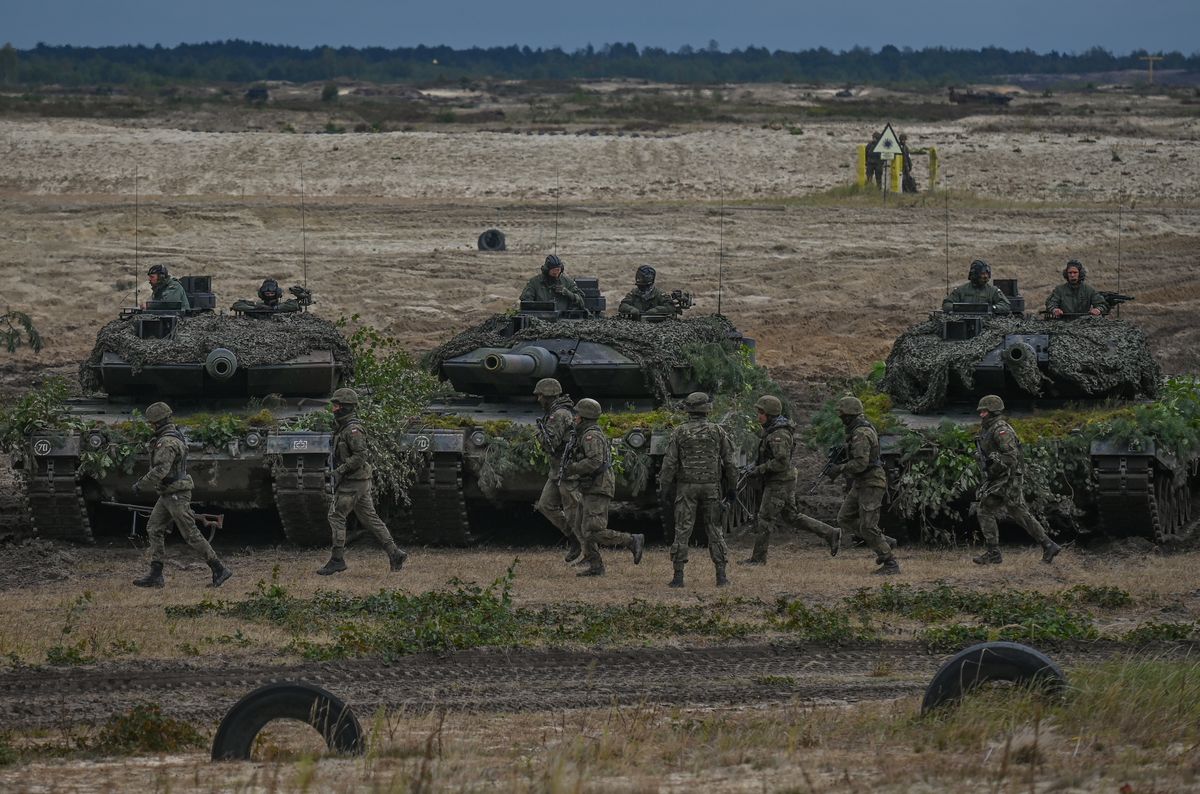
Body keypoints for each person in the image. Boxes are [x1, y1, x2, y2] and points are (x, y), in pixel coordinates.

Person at [132, 401, 232, 588]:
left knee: (191, 534)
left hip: (176, 493)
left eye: (152, 423)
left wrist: (141, 484)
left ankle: (219, 568)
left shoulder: (167, 442)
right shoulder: (172, 436)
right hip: (168, 493)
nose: (151, 426)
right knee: (154, 527)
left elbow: (161, 470)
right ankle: (156, 574)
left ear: (157, 422)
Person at [317, 387, 409, 576]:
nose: (334, 409)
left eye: (337, 406)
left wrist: (339, 471)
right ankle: (395, 553)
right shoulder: (343, 428)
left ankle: (337, 560)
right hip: (356, 480)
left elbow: (360, 456)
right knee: (370, 518)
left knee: (336, 516)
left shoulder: (353, 430)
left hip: (353, 480)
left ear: (346, 407)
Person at [742, 395, 841, 564]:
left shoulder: (778, 434)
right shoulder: (774, 430)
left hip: (779, 481)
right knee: (792, 517)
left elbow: (781, 462)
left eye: (761, 413)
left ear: (770, 414)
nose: (758, 416)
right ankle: (830, 533)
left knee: (765, 518)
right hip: (782, 479)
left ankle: (758, 559)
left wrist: (758, 470)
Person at [658, 392, 738, 588]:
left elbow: (669, 464)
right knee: (714, 529)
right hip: (712, 487)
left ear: (688, 410)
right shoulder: (717, 431)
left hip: (686, 488)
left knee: (682, 529)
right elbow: (730, 463)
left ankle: (678, 576)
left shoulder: (679, 432)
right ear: (706, 410)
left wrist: (665, 488)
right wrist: (732, 488)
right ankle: (721, 576)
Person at [972, 394, 1062, 566]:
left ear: (993, 411)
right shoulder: (987, 429)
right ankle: (1048, 545)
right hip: (1004, 477)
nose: (981, 414)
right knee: (1018, 512)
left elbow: (1011, 457)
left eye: (984, 411)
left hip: (1007, 477)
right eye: (981, 411)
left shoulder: (1000, 430)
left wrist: (993, 468)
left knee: (985, 507)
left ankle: (994, 553)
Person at [561, 398, 644, 577]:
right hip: (591, 485)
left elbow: (594, 461)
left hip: (598, 486)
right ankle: (596, 565)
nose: (574, 418)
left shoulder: (591, 436)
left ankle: (631, 540)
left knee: (593, 530)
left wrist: (573, 468)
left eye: (577, 415)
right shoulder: (584, 434)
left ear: (583, 418)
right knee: (581, 527)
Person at [827, 396, 899, 575]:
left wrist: (839, 468)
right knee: (844, 518)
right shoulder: (855, 431)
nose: (840, 418)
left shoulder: (861, 433)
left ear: (849, 415)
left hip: (872, 482)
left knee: (867, 525)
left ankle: (890, 562)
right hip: (862, 482)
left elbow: (861, 463)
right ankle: (882, 540)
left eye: (842, 414)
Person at [532, 377, 584, 562]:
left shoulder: (559, 414)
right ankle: (574, 539)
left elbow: (550, 444)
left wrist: (538, 433)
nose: (538, 399)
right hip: (557, 470)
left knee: (573, 511)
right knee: (546, 505)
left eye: (540, 395)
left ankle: (590, 553)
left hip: (567, 471)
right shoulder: (555, 412)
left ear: (548, 395)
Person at [942, 259, 1011, 314]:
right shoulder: (961, 290)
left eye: (987, 274)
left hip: (987, 324)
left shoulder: (993, 290)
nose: (985, 276)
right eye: (982, 273)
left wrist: (992, 308)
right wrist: (960, 308)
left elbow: (1006, 305)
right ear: (974, 275)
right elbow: (947, 304)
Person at [520, 254, 585, 312]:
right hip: (540, 318)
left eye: (558, 270)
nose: (556, 273)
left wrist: (567, 292)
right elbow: (526, 304)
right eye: (553, 271)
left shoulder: (567, 282)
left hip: (563, 319)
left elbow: (581, 301)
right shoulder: (534, 282)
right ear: (546, 270)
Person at [232, 278, 301, 313]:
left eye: (272, 293)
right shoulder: (257, 305)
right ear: (261, 294)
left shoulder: (283, 305)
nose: (270, 296)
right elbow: (237, 305)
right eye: (267, 294)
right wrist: (255, 309)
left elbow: (294, 305)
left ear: (277, 293)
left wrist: (274, 308)